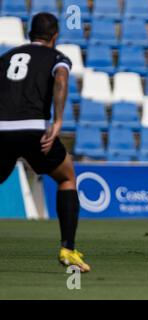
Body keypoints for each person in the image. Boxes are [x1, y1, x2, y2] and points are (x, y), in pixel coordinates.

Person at [0, 13, 90, 271]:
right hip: (33, 129)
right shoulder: (57, 57)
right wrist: (58, 121)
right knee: (66, 177)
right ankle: (68, 249)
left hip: (1, 129)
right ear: (55, 37)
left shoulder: (6, 58)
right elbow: (61, 79)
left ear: (30, 35)